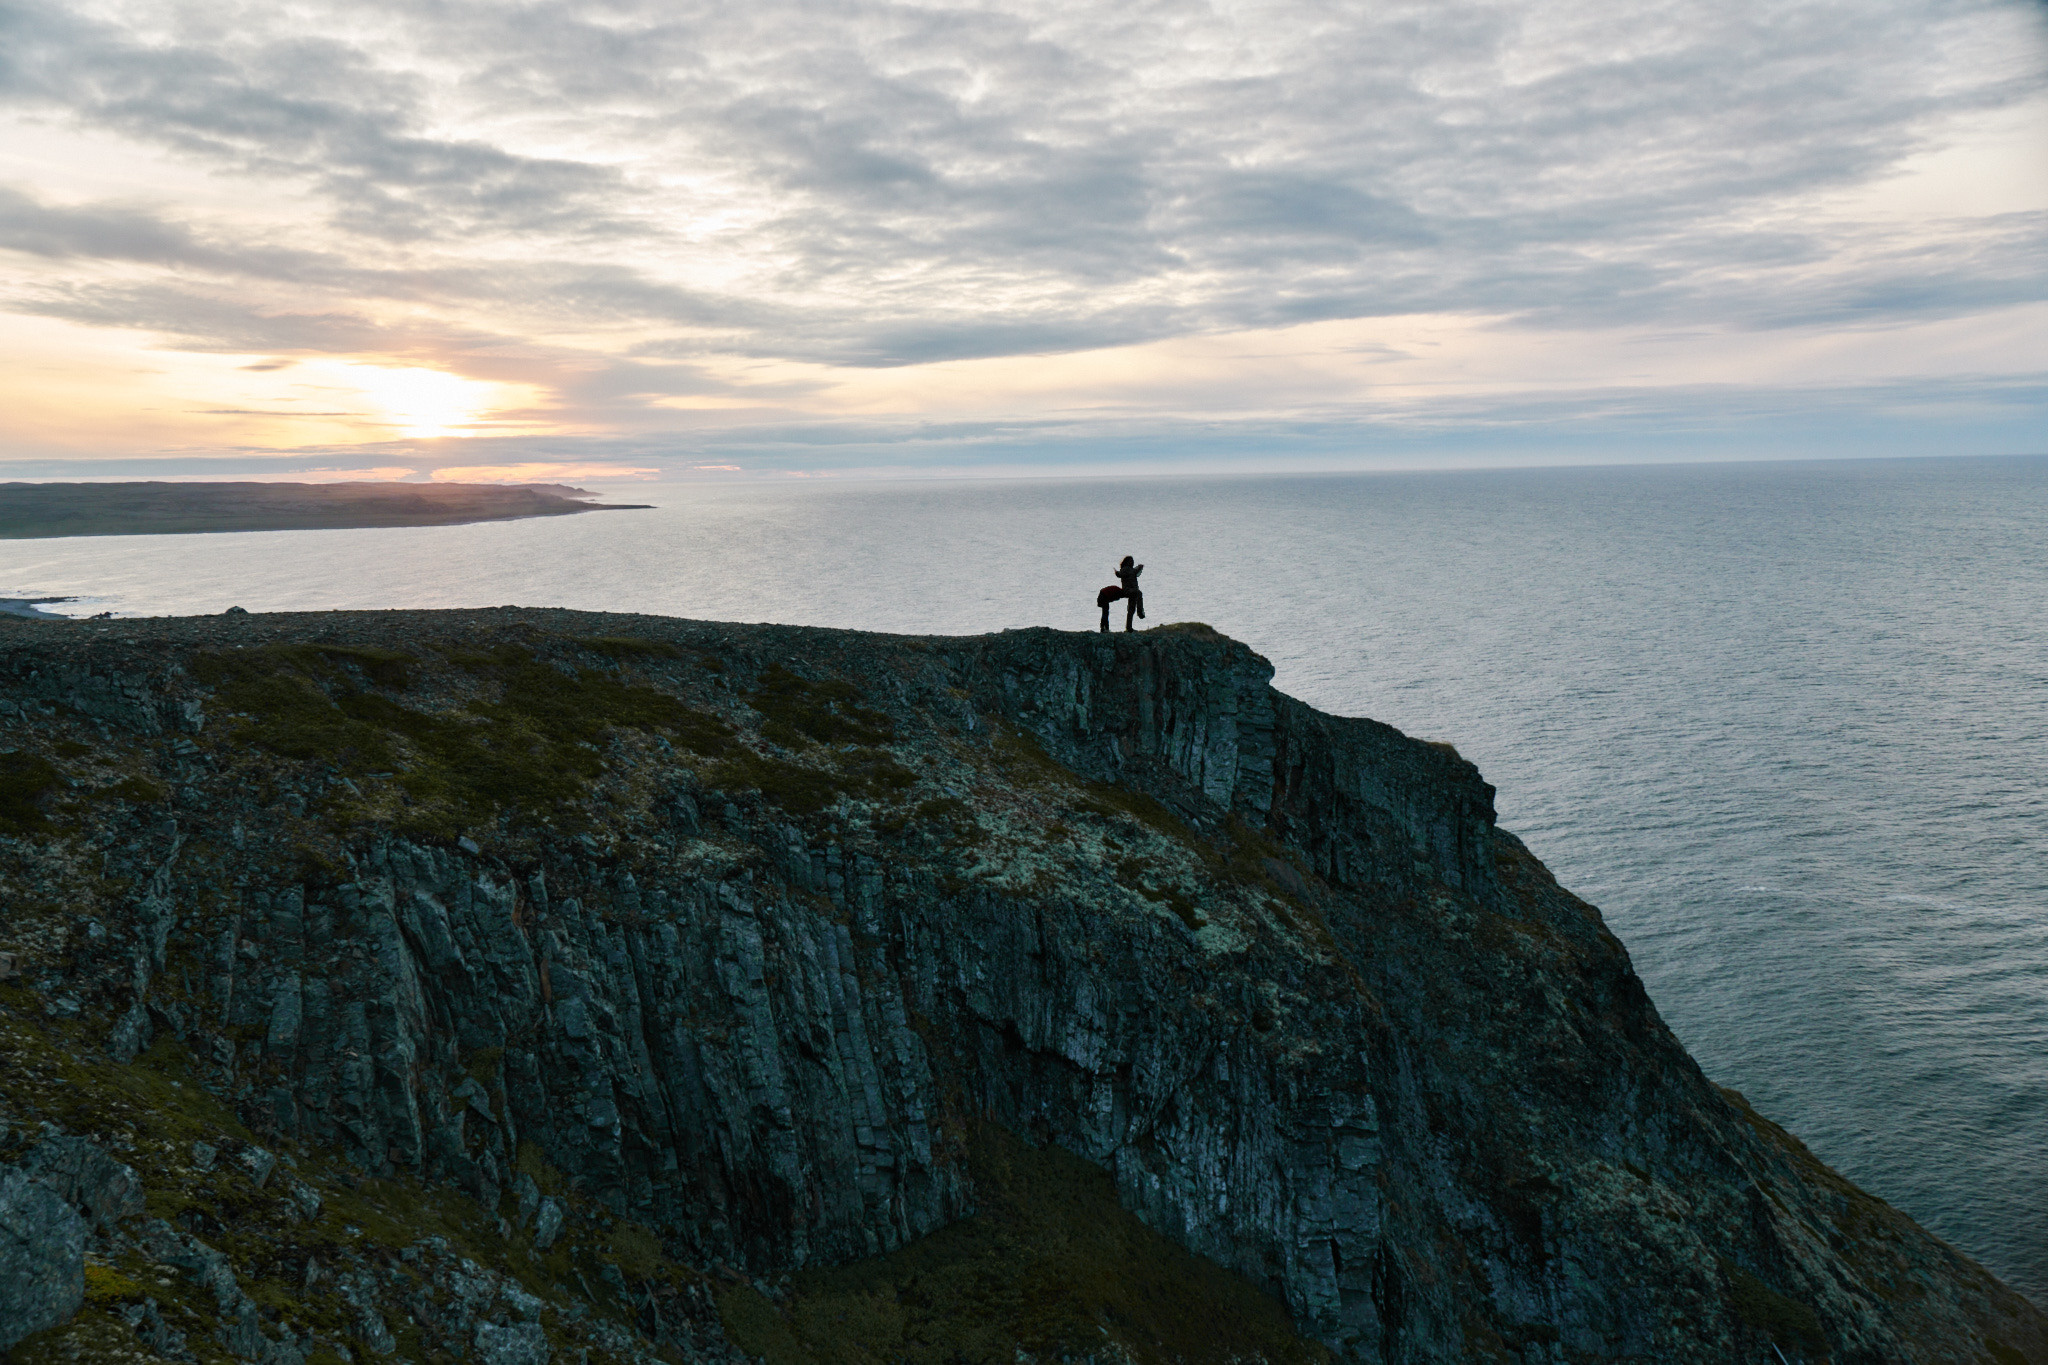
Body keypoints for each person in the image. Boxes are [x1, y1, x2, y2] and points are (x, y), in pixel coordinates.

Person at [1100, 555, 1143, 632]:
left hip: (1132, 592)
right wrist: (1139, 567)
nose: (1132, 562)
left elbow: (1122, 574)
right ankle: (1140, 613)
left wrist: (1139, 568)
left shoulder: (1130, 570)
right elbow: (1123, 574)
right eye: (1131, 561)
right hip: (1129, 591)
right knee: (1138, 595)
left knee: (1131, 610)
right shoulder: (1126, 569)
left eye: (1133, 561)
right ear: (1127, 562)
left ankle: (1129, 627)